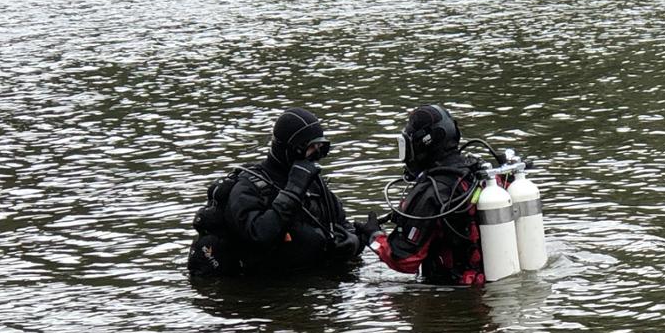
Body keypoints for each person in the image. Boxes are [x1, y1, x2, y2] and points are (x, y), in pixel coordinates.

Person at [187, 108, 374, 278]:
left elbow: (341, 223)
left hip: (310, 284)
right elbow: (259, 234)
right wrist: (293, 191)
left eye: (321, 149)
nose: (316, 156)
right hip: (263, 288)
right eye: (310, 148)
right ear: (290, 148)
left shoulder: (314, 182)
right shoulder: (249, 187)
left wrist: (352, 242)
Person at [370, 104, 489, 286]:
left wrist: (374, 237)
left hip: (454, 296)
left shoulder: (431, 192)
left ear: (421, 145)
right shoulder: (476, 173)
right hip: (489, 282)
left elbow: (403, 259)